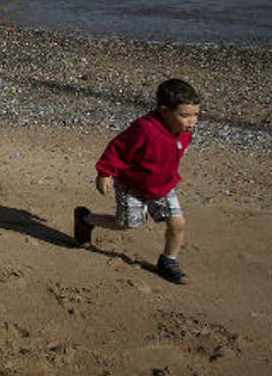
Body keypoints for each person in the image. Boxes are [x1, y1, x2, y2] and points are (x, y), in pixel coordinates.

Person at [73, 78, 201, 284]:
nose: (192, 121)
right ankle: (86, 219)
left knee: (177, 224)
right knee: (126, 224)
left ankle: (168, 260)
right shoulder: (145, 130)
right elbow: (117, 148)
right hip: (133, 186)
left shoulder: (184, 132)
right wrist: (104, 172)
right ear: (164, 111)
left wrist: (170, 171)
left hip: (163, 186)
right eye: (185, 116)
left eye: (196, 114)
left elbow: (172, 151)